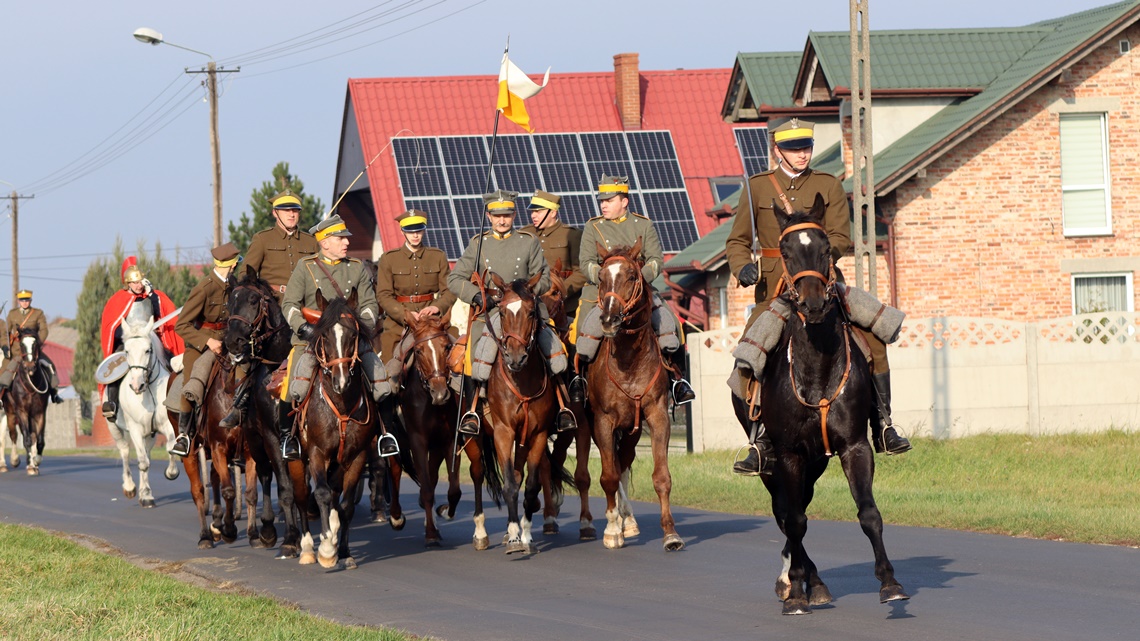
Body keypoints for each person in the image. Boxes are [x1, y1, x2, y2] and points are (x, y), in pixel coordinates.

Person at [724, 119, 911, 477]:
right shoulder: (757, 188)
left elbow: (841, 235)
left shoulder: (828, 184)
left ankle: (883, 424)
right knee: (751, 353)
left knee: (874, 336)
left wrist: (820, 260)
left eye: (806, 146)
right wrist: (741, 267)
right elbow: (737, 241)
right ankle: (759, 438)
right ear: (778, 150)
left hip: (822, 282)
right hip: (776, 289)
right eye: (794, 148)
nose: (802, 153)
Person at [446, 190, 575, 436]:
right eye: (496, 215)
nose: (502, 220)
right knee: (477, 356)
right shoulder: (478, 244)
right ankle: (473, 410)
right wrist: (477, 296)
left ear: (514, 214)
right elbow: (455, 279)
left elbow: (545, 278)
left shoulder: (528, 242)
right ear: (489, 215)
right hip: (492, 308)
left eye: (506, 215)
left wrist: (526, 294)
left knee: (556, 353)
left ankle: (561, 407)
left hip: (525, 309)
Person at [280, 214, 399, 459]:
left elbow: (369, 304)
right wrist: (303, 329)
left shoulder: (356, 268)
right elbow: (290, 304)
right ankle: (288, 438)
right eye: (340, 238)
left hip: (350, 341)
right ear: (324, 243)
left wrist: (358, 329)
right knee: (294, 385)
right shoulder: (306, 267)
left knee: (381, 382)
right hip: (313, 340)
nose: (346, 243)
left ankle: (387, 435)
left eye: (345, 238)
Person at [570, 175, 696, 406]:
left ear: (624, 201)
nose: (603, 205)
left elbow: (656, 261)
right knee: (581, 330)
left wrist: (638, 279)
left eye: (609, 200)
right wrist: (605, 279)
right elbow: (586, 261)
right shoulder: (593, 226)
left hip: (638, 290)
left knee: (670, 325)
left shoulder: (643, 225)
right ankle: (578, 380)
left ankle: (678, 380)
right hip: (602, 291)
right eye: (602, 201)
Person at [220, 190, 320, 430]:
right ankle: (241, 399)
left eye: (295, 211)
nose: (291, 215)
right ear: (276, 213)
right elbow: (247, 275)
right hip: (272, 304)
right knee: (250, 343)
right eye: (286, 211)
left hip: (305, 305)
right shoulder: (263, 239)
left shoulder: (310, 241)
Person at [169, 243, 240, 458]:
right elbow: (181, 325)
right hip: (200, 346)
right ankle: (184, 435)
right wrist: (207, 341)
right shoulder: (204, 288)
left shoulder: (234, 284)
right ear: (232, 264)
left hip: (230, 342)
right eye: (237, 262)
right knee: (193, 382)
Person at [99, 256, 184, 422]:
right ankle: (112, 403)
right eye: (135, 282)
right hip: (128, 340)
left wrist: (151, 294)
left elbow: (160, 312)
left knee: (170, 359)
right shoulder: (119, 299)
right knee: (115, 366)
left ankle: (179, 395)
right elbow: (112, 327)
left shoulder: (151, 297)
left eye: (140, 282)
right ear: (128, 284)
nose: (138, 285)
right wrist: (126, 335)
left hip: (150, 338)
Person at [375, 210, 457, 363]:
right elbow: (383, 295)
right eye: (410, 231)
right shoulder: (389, 259)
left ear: (424, 230)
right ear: (402, 232)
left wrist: (436, 308)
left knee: (458, 357)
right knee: (389, 367)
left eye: (418, 230)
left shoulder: (438, 256)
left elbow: (450, 290)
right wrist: (404, 314)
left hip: (434, 321)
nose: (415, 235)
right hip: (399, 324)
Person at [519, 190, 587, 322]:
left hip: (566, 306)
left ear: (553, 212)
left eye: (538, 211)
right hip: (531, 305)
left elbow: (581, 271)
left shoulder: (572, 235)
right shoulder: (525, 234)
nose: (534, 215)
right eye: (532, 212)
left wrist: (560, 290)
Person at [0, 288, 64, 405]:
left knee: (50, 366)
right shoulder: (12, 314)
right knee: (3, 372)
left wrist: (37, 344)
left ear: (30, 300)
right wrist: (5, 346)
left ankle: (55, 393)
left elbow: (44, 330)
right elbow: (5, 333)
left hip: (33, 352)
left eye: (27, 300)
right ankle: (0, 398)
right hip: (15, 351)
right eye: (22, 300)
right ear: (18, 301)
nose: (25, 302)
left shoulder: (38, 313)